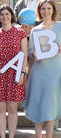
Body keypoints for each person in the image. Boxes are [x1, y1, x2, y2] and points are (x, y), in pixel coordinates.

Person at [0, 5, 27, 138]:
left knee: (13, 108)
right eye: (2, 14)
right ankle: (2, 135)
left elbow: (24, 54)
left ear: (11, 16)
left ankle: (11, 136)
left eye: (7, 14)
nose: (5, 17)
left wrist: (22, 73)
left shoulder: (20, 33)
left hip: (14, 73)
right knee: (1, 108)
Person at [23, 0, 61, 138]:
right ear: (39, 11)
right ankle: (38, 136)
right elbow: (30, 49)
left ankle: (49, 136)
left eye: (48, 8)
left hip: (55, 71)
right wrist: (33, 54)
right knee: (38, 103)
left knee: (50, 105)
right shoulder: (35, 29)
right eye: (43, 8)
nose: (46, 11)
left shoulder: (60, 27)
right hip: (39, 71)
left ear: (53, 10)